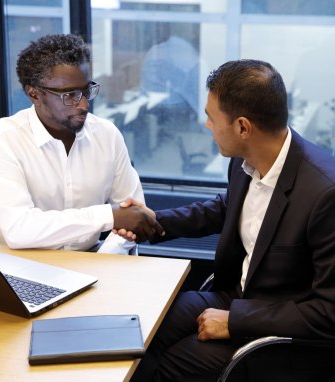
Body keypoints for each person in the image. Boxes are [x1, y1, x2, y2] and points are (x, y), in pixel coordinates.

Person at [114, 59, 335, 380]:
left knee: (175, 363)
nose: (206, 126)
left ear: (243, 127)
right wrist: (151, 222)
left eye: (210, 117)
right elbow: (223, 209)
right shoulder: (248, 160)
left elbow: (329, 312)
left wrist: (236, 321)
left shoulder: (324, 193)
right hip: (238, 294)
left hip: (285, 331)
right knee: (148, 325)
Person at [0, 34, 161, 254]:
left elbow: (133, 215)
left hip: (88, 258)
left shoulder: (107, 135)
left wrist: (106, 259)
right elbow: (19, 230)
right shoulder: (2, 139)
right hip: (13, 260)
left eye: (86, 90)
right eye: (70, 95)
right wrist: (108, 216)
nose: (84, 104)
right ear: (34, 94)